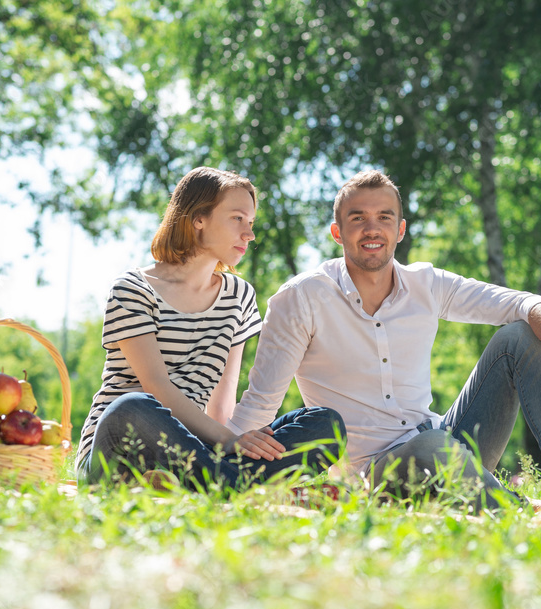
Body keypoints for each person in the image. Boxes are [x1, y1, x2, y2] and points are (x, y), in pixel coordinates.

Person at [228, 170, 541, 512]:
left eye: (384, 218)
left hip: (446, 441)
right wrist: (220, 461)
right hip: (377, 472)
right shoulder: (302, 298)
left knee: (521, 335)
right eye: (358, 218)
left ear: (401, 229)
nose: (372, 229)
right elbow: (261, 403)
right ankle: (523, 513)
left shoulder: (427, 284)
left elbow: (530, 303)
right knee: (431, 447)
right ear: (337, 233)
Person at [75, 167, 344, 491]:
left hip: (193, 452)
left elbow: (221, 404)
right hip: (120, 448)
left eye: (251, 223)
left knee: (326, 424)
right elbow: (158, 386)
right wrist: (230, 442)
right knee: (134, 406)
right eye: (237, 219)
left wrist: (234, 442)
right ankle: (234, 487)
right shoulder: (133, 288)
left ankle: (216, 484)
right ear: (198, 218)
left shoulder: (239, 296)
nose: (249, 234)